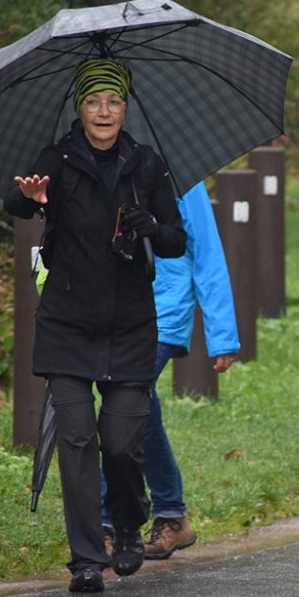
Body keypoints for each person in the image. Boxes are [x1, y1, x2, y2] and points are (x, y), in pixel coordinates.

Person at [4, 58, 186, 592]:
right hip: (68, 322)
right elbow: (14, 200)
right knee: (77, 438)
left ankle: (128, 524)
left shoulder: (147, 164)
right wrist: (33, 198)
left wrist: (150, 224)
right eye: (93, 101)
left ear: (125, 107)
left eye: (113, 102)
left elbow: (176, 239)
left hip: (130, 323)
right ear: (79, 108)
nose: (104, 112)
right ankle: (86, 557)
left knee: (123, 439)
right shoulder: (57, 159)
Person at [99, 181, 239, 560]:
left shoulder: (176, 175)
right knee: (141, 408)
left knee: (122, 403)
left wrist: (222, 335)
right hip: (113, 309)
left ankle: (107, 523)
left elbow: (207, 252)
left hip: (164, 309)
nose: (106, 116)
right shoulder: (95, 164)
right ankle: (172, 515)